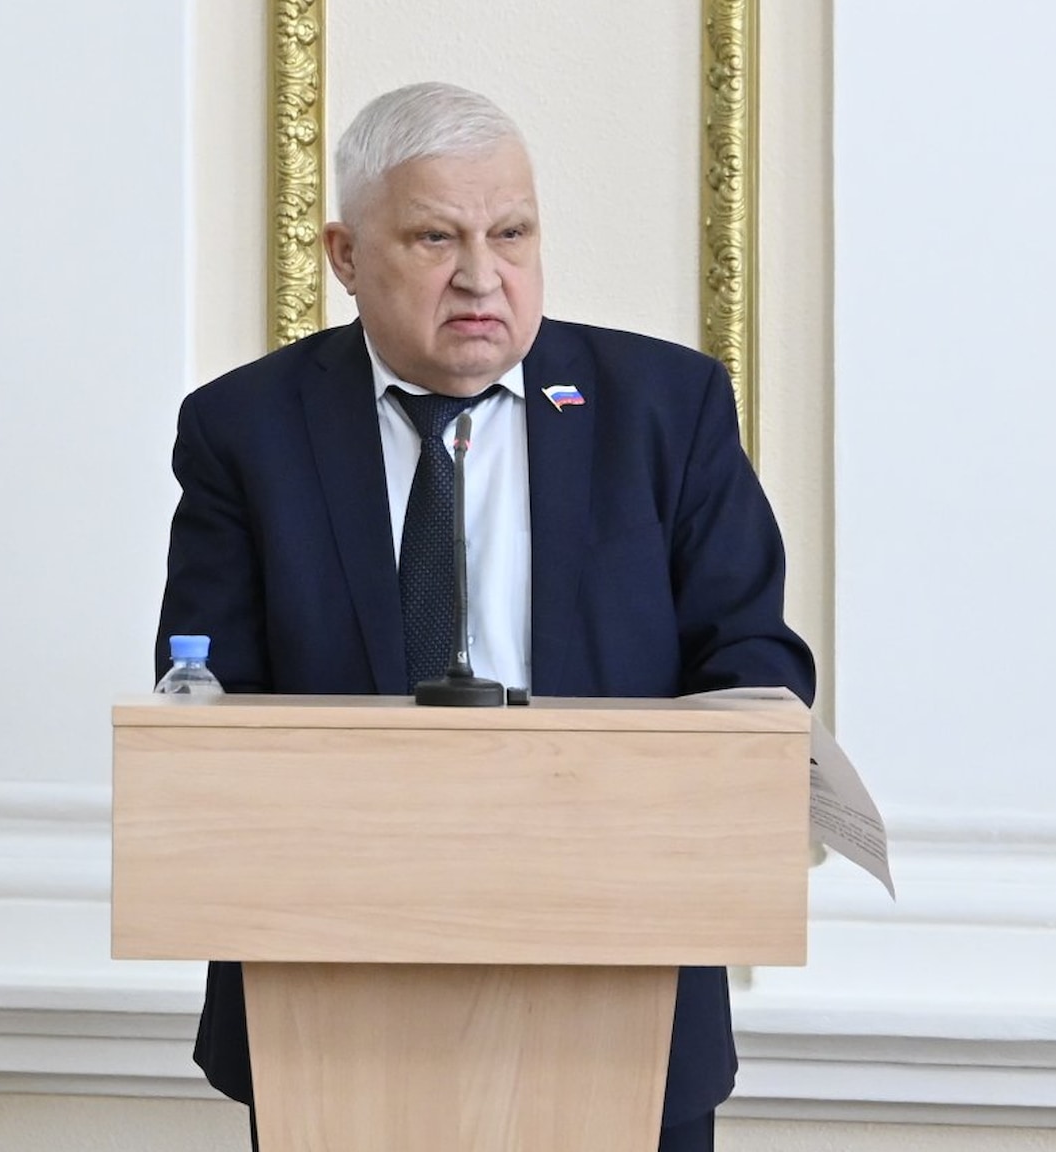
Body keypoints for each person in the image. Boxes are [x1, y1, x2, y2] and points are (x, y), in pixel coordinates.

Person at [156, 80, 815, 1152]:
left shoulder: (664, 407)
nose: (481, 275)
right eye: (435, 237)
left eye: (511, 233)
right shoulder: (247, 428)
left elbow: (748, 653)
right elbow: (210, 698)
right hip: (336, 990)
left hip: (621, 974)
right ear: (345, 255)